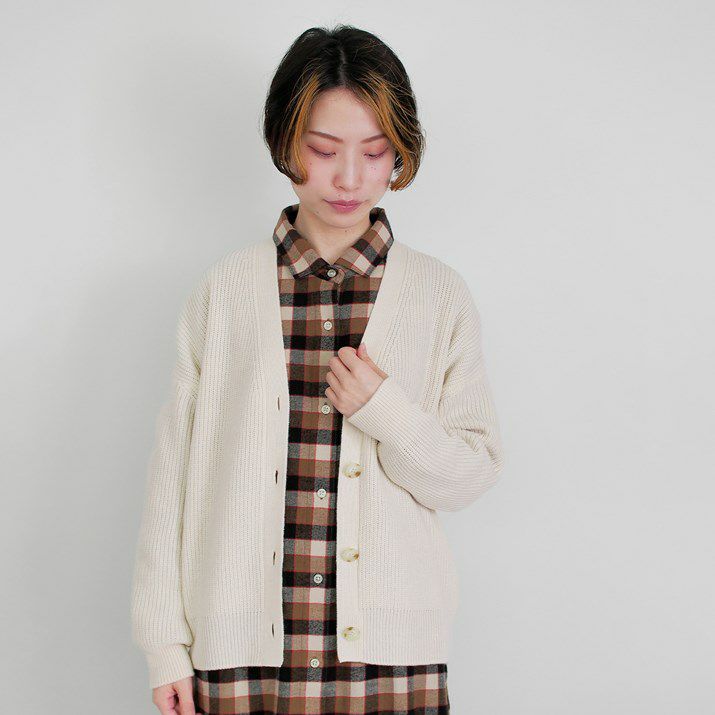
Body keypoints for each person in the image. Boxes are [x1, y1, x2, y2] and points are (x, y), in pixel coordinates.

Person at [131, 23, 505, 715]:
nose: (349, 177)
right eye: (324, 149)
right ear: (285, 143)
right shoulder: (225, 291)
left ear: (399, 151)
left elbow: (469, 476)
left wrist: (385, 411)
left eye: (374, 151)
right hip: (241, 659)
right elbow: (173, 480)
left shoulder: (438, 295)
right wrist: (165, 645)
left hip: (390, 663)